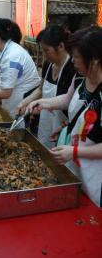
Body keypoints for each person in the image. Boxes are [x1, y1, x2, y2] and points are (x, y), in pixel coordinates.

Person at [27, 26, 102, 207]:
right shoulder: (81, 77)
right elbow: (69, 99)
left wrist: (75, 151)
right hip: (74, 162)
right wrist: (44, 103)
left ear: (95, 59)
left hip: (95, 172)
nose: (73, 61)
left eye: (76, 57)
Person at [16, 25, 78, 148]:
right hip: (46, 120)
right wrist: (25, 102)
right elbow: (40, 89)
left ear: (61, 46)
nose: (44, 55)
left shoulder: (73, 68)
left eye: (46, 50)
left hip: (63, 123)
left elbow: (70, 101)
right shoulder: (48, 65)